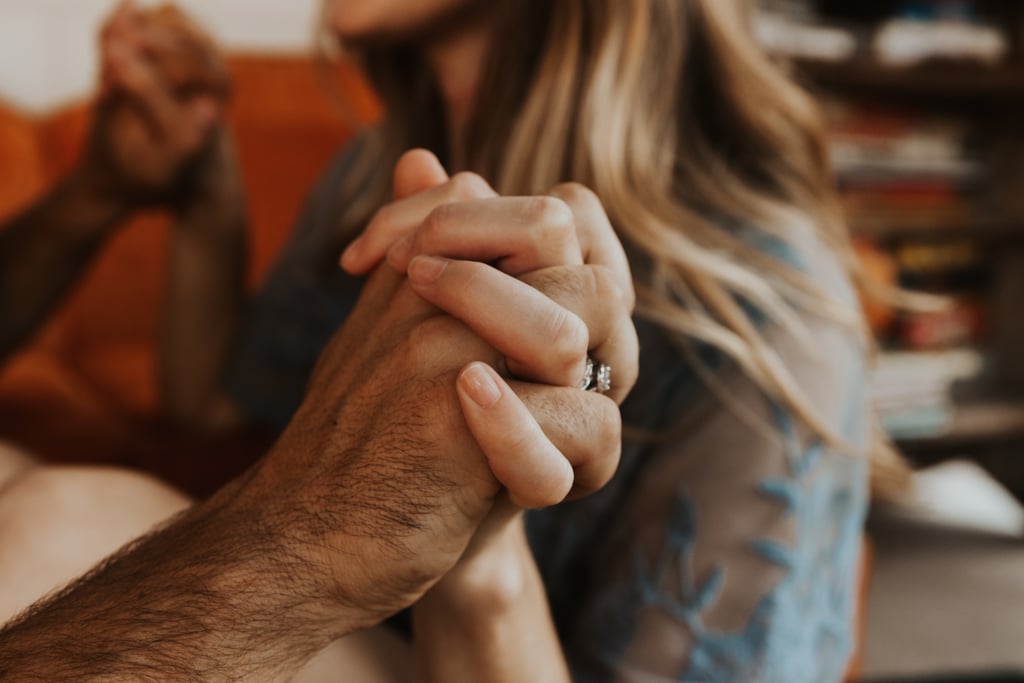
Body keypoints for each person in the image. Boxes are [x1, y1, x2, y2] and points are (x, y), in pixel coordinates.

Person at [6, 0, 892, 680]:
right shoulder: (374, 169)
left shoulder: (768, 316)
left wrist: (472, 532)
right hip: (336, 632)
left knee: (64, 517)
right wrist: (207, 193)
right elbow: (216, 407)